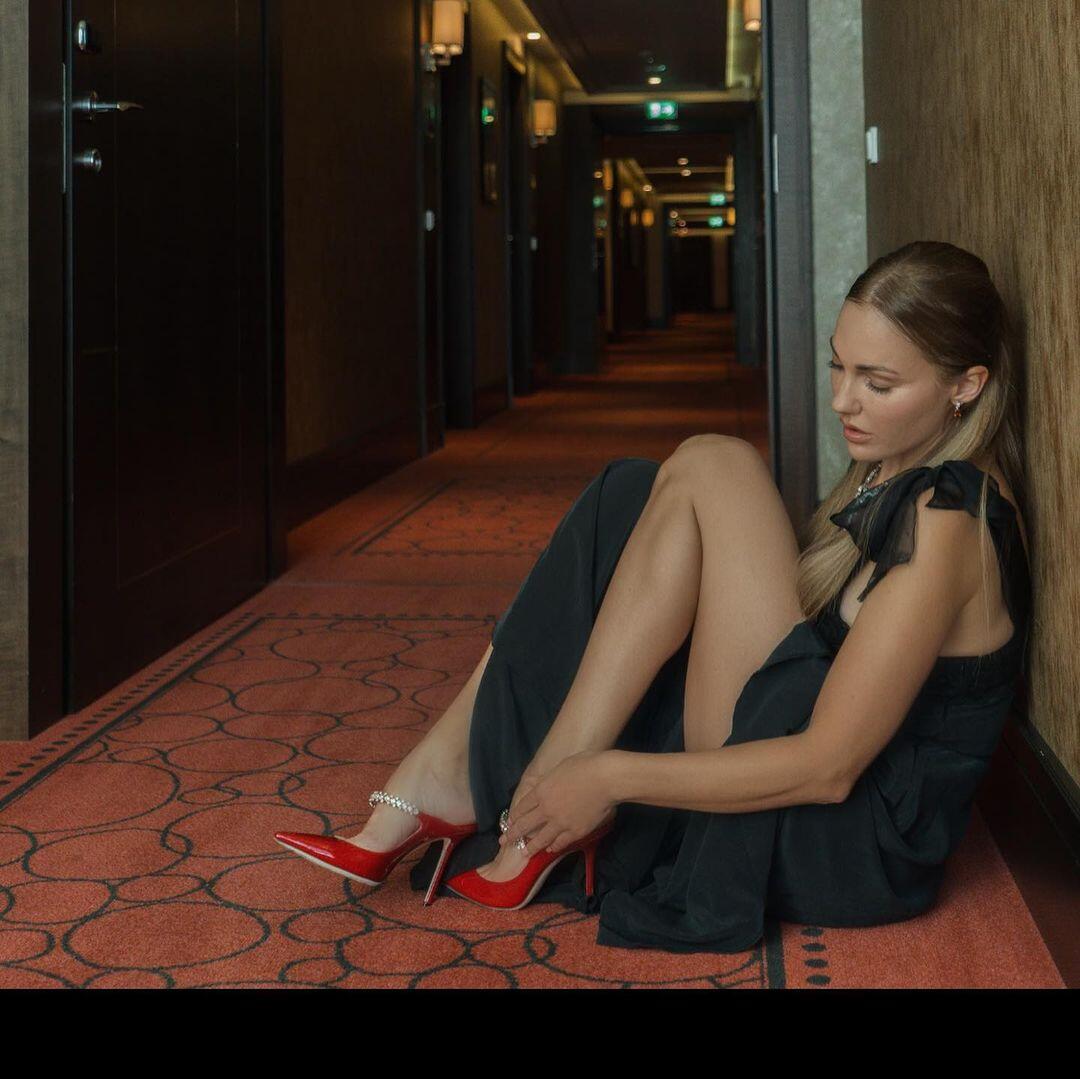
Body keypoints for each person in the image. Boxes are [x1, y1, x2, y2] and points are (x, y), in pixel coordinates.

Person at [275, 240, 1032, 953]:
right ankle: (493, 791)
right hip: (798, 751)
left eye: (878, 384)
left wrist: (611, 776)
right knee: (632, 493)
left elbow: (828, 767)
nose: (843, 401)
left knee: (716, 464)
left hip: (841, 841)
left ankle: (514, 800)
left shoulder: (948, 521)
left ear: (966, 386)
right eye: (839, 367)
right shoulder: (900, 468)